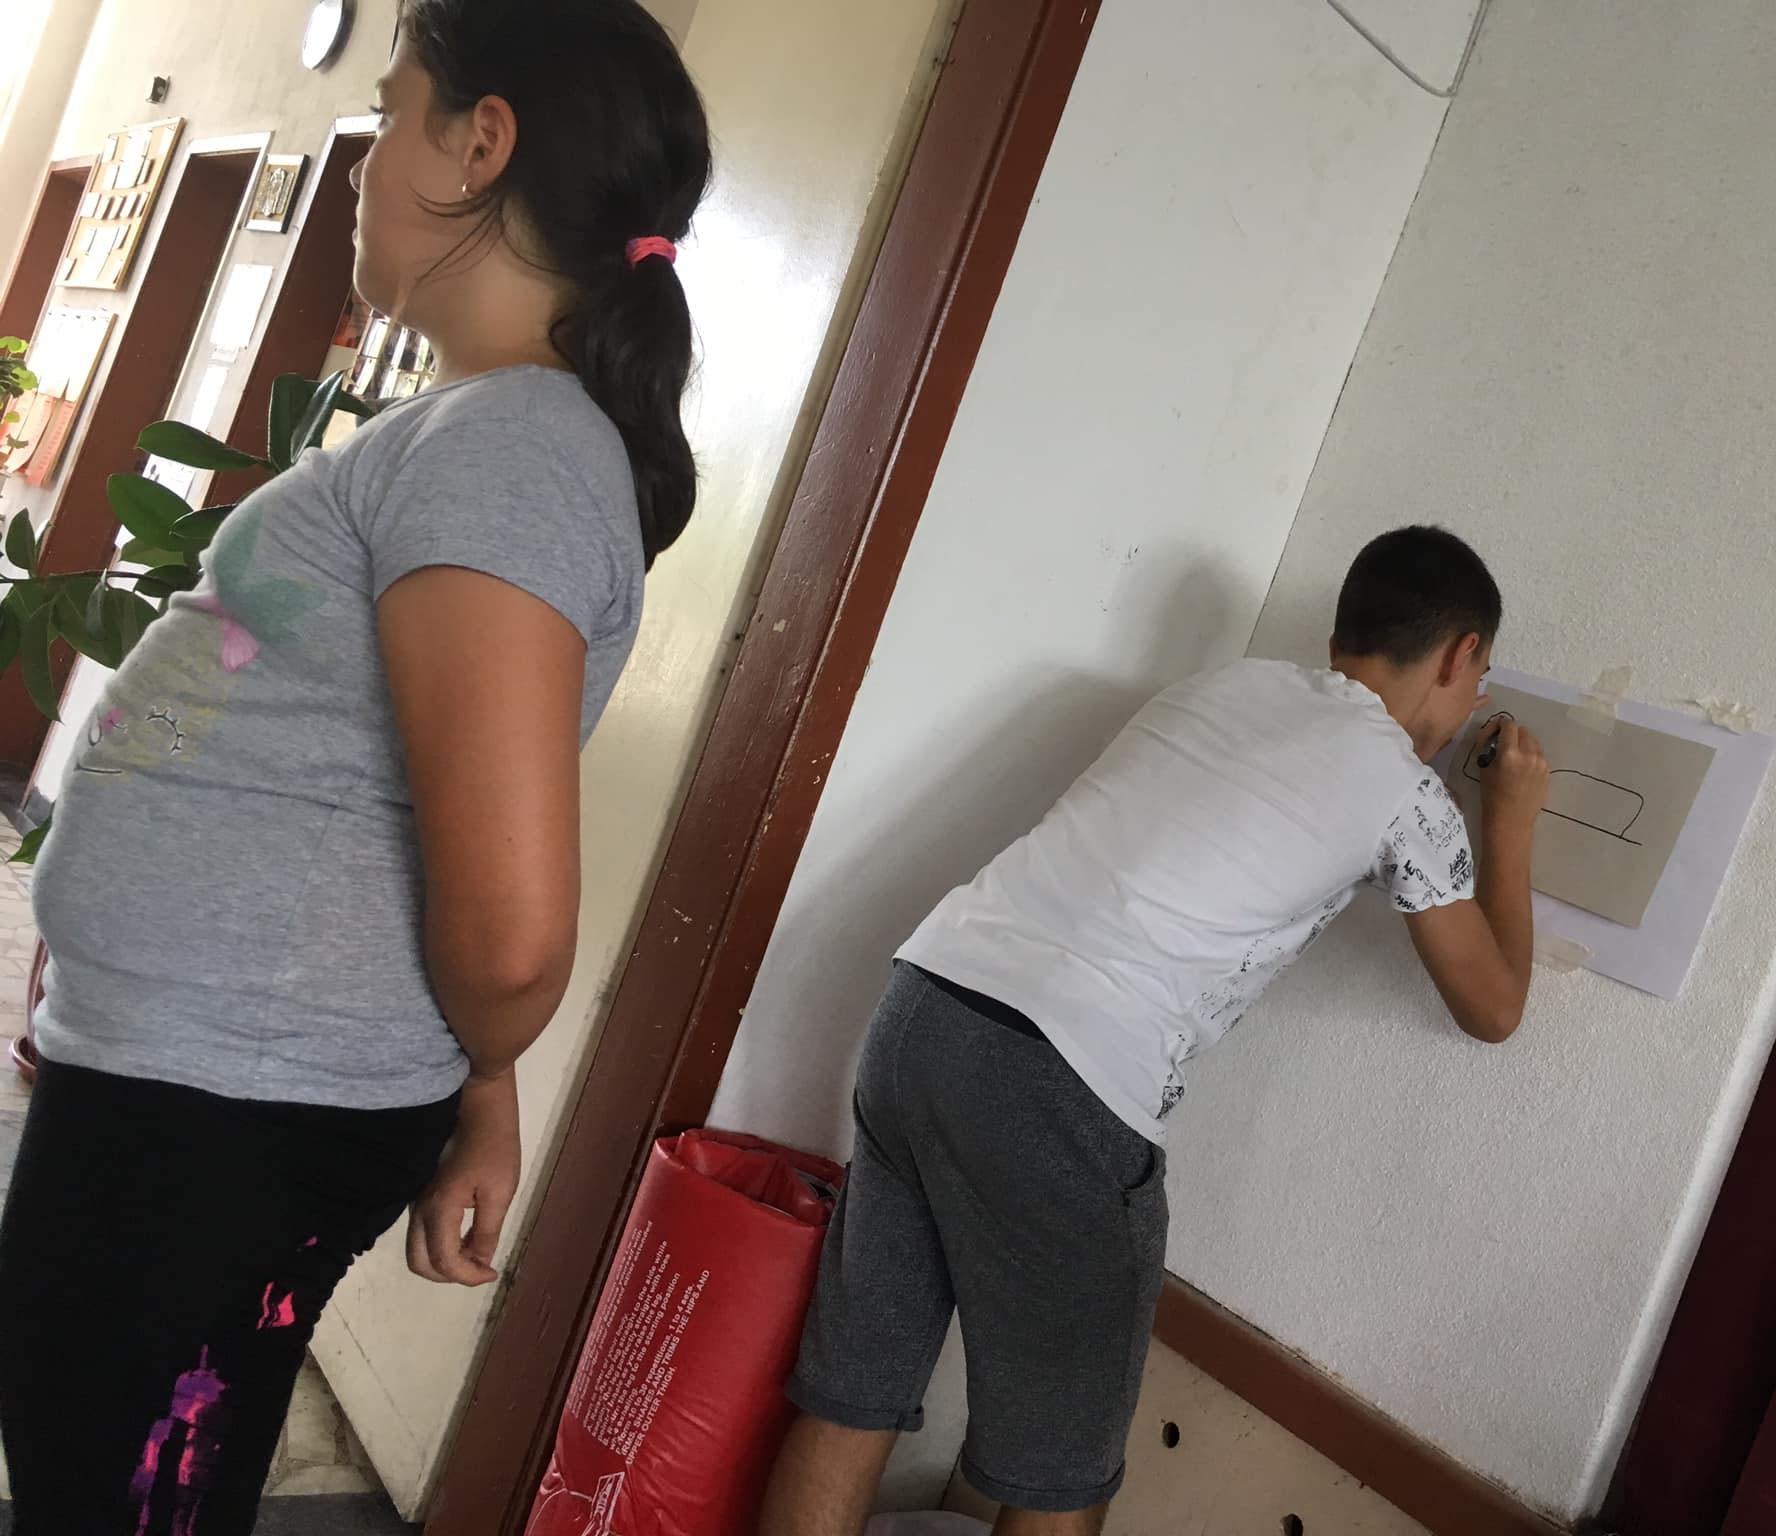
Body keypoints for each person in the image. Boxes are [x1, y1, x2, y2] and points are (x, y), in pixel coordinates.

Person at [0, 2, 710, 1530]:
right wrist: (483, 1086)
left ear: (481, 142)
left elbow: (509, 935)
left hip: (226, 1116)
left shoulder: (512, 454)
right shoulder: (484, 434)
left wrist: (481, 1052)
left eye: (390, 114)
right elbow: (410, 798)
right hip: (202, 1086)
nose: (365, 163)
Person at [760, 526, 1551, 1536]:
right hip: (1065, 1083)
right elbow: (1494, 1008)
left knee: (856, 1389)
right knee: (1060, 1476)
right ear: (1458, 654)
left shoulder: (1216, 688)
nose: (1472, 702)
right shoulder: (1405, 793)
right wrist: (1511, 822)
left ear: (1343, 634)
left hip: (926, 1007)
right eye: (1477, 677)